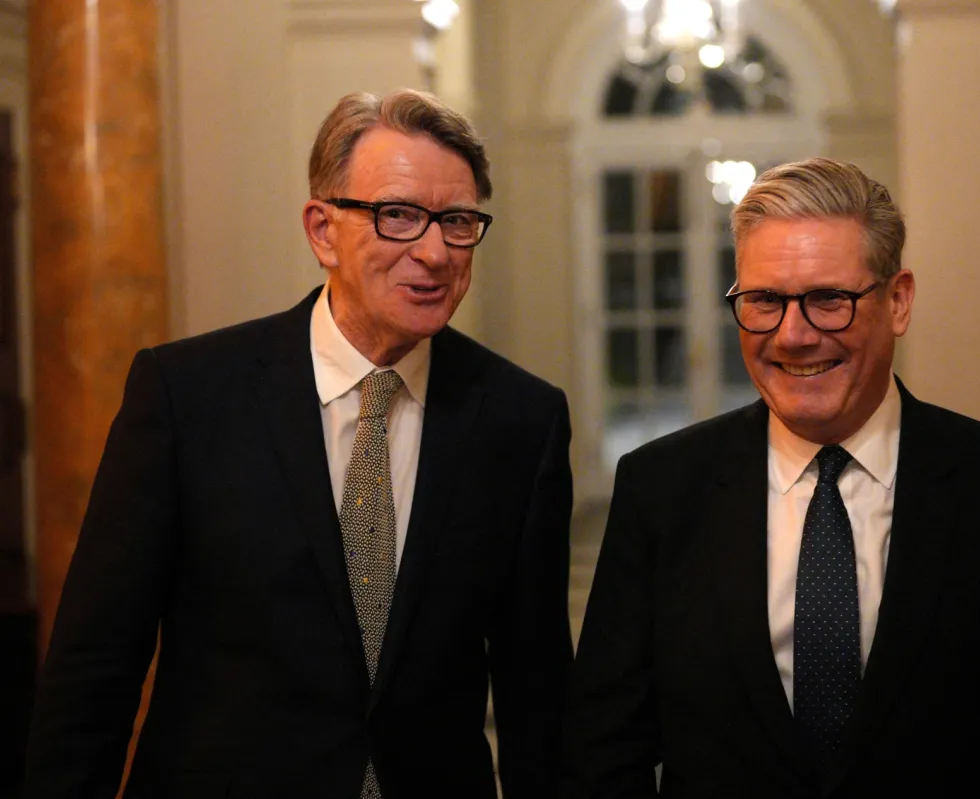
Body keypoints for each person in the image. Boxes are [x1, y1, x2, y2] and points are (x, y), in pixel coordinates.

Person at [25, 89, 573, 799]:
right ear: (323, 230)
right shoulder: (186, 397)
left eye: (458, 221)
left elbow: (538, 694)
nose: (435, 251)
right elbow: (94, 667)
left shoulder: (520, 419)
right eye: (398, 215)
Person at [563, 158, 980, 798]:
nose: (793, 335)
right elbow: (603, 754)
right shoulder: (660, 490)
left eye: (830, 299)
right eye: (764, 300)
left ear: (898, 300)